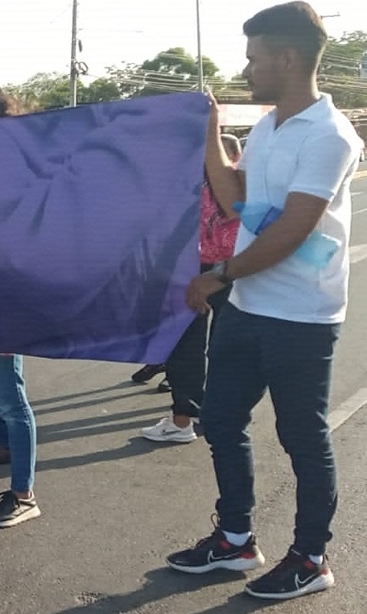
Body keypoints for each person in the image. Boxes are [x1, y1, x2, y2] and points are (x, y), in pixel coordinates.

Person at [166, 2, 364, 600]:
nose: (246, 68)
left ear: (287, 57)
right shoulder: (270, 127)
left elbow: (292, 230)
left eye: (253, 58)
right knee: (221, 420)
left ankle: (310, 557)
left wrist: (216, 275)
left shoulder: (330, 136)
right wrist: (208, 135)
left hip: (302, 316)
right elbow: (239, 205)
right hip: (250, 307)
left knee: (303, 438)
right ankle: (235, 538)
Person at [140, 135, 243, 443]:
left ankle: (184, 419)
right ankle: (216, 413)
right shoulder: (239, 182)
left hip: (196, 268)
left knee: (186, 343)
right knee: (222, 344)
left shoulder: (186, 182)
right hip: (233, 267)